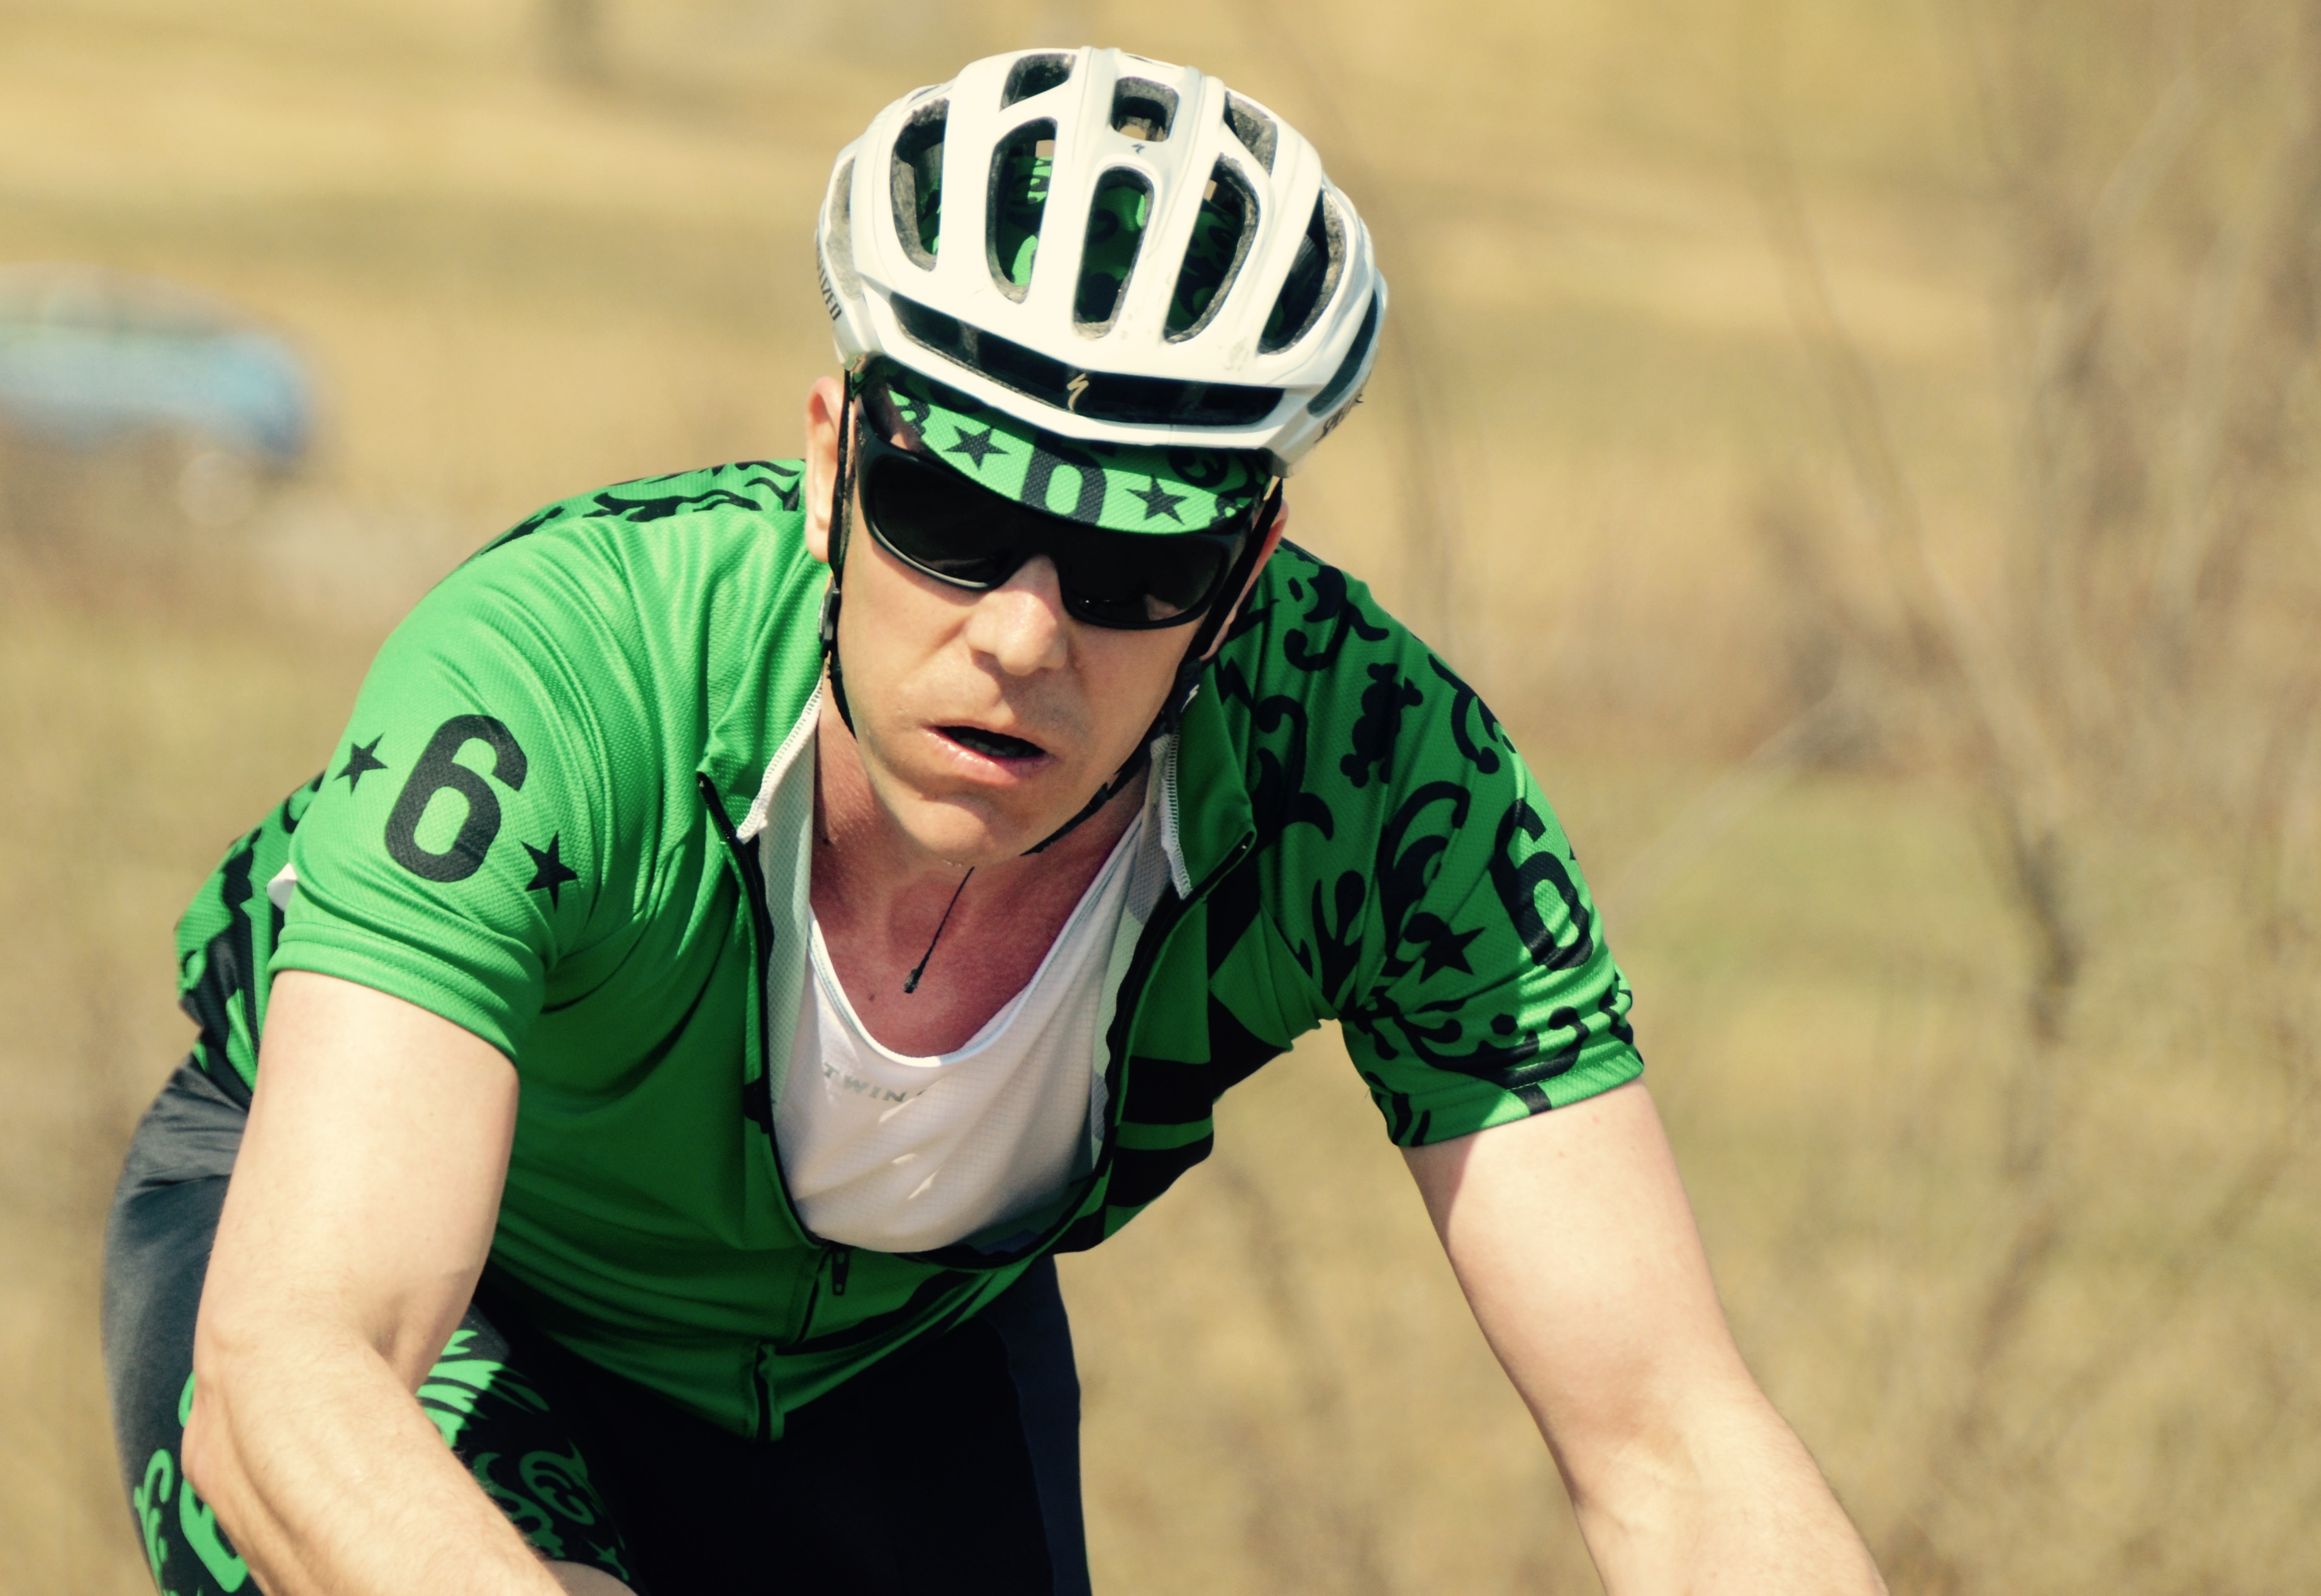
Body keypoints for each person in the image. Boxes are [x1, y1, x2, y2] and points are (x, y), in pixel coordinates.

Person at [102, 45, 1887, 1596]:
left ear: (1245, 575)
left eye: (1134, 563)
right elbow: (300, 1370)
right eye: (949, 515)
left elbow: (1669, 1440)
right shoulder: (566, 675)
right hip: (444, 1295)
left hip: (888, 1350)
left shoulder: (1378, 781)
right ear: (829, 465)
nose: (1025, 637)